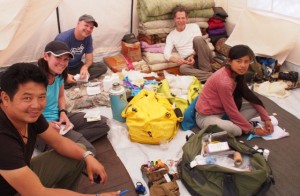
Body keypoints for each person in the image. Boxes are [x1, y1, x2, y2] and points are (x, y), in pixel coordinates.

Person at [0, 63, 119, 195]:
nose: (36, 105)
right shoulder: (3, 140)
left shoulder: (30, 115)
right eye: (27, 98)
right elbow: (38, 193)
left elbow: (59, 142)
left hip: (21, 177)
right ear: (5, 98)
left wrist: (87, 157)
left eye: (41, 97)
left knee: (81, 151)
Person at [36, 40, 110, 154]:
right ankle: (57, 142)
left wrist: (63, 112)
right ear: (46, 56)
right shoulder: (35, 81)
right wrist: (46, 125)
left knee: (103, 123)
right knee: (88, 151)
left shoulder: (59, 75)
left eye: (65, 59)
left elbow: (60, 97)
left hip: (59, 119)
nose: (62, 62)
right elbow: (24, 113)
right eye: (58, 57)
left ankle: (65, 141)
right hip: (41, 126)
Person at [195, 45, 274, 136]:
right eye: (238, 61)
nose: (243, 65)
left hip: (223, 111)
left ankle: (238, 123)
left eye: (246, 62)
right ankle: (238, 125)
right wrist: (253, 130)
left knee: (256, 105)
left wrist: (266, 119)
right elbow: (231, 110)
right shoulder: (224, 81)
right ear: (230, 61)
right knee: (235, 130)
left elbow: (249, 95)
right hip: (206, 116)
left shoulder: (237, 73)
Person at [164, 6, 213, 82]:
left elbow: (200, 44)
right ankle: (211, 76)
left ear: (187, 18)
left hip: (201, 55)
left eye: (183, 18)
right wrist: (177, 60)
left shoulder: (194, 27)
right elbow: (166, 54)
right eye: (178, 18)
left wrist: (192, 56)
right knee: (182, 69)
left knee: (198, 39)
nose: (181, 20)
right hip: (188, 61)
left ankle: (205, 72)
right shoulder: (171, 36)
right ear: (174, 19)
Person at [55, 14, 107, 86]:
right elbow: (55, 64)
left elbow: (89, 59)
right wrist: (65, 75)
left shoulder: (88, 37)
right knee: (57, 79)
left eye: (91, 28)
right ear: (78, 23)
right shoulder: (62, 39)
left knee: (102, 67)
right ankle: (70, 80)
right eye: (86, 25)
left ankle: (75, 80)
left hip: (77, 67)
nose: (88, 29)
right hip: (63, 69)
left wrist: (85, 67)